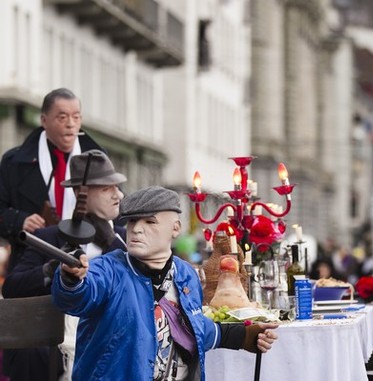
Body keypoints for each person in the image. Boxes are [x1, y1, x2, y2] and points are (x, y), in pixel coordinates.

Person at [52, 186, 279, 380]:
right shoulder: (108, 269)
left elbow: (191, 327)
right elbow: (78, 296)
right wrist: (71, 278)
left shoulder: (185, 273)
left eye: (150, 221)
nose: (136, 229)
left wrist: (243, 336)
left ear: (176, 228)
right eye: (132, 221)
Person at [2, 149, 128, 380]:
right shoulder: (49, 237)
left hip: (111, 340)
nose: (118, 195)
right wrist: (54, 268)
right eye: (106, 188)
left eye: (117, 187)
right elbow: (12, 287)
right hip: (55, 351)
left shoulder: (126, 238)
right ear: (82, 192)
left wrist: (111, 241)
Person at [0, 88, 104, 273]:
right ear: (44, 120)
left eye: (76, 117)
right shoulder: (15, 162)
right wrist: (19, 221)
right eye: (62, 118)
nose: (71, 124)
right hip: (32, 262)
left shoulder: (99, 161)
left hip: (89, 263)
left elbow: (116, 209)